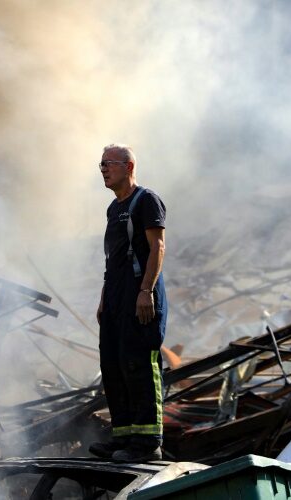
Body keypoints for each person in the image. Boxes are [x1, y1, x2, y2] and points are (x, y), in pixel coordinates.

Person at [89, 144, 167, 462]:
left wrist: (146, 291)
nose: (104, 169)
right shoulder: (113, 209)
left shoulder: (145, 200)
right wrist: (104, 300)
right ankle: (123, 436)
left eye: (109, 163)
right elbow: (114, 260)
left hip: (140, 297)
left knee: (139, 364)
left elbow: (157, 247)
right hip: (116, 299)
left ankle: (148, 443)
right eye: (101, 165)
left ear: (129, 166)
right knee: (113, 365)